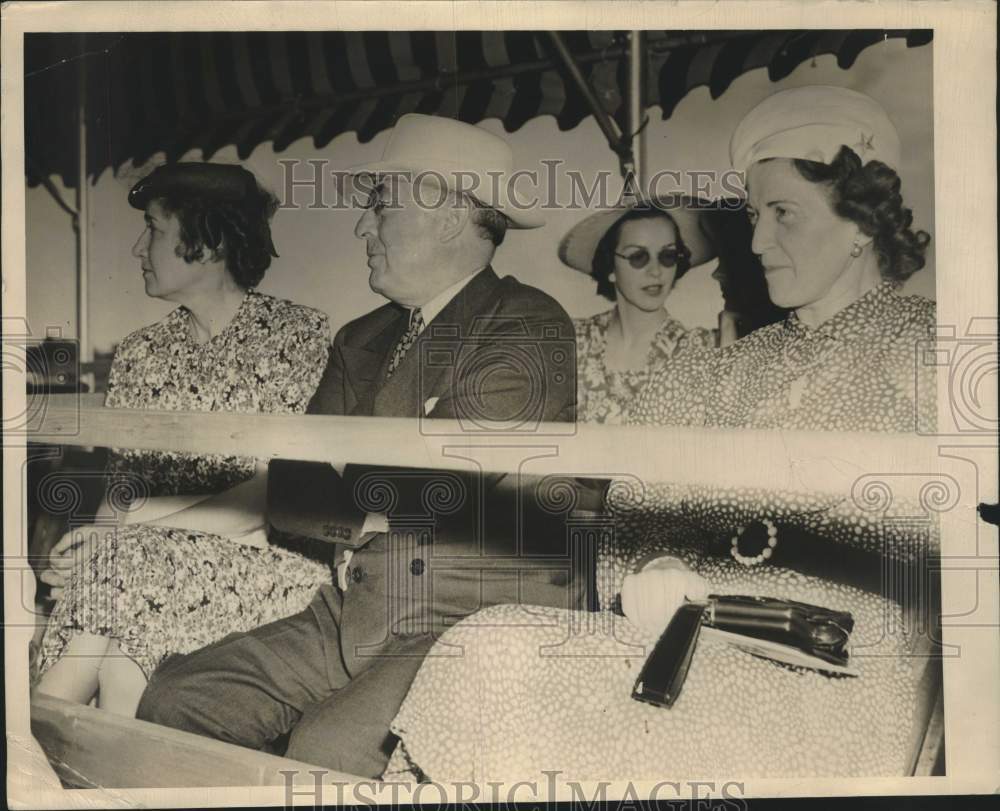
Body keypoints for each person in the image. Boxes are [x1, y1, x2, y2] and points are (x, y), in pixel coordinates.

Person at [385, 86, 938, 781]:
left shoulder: (935, 351)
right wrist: (648, 572)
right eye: (753, 215)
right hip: (689, 653)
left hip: (840, 688)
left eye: (783, 214)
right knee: (491, 644)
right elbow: (626, 525)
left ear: (861, 220)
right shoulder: (710, 376)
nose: (759, 239)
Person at [134, 114, 587, 778]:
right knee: (176, 700)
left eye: (381, 204)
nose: (361, 226)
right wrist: (372, 504)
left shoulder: (528, 322)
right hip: (358, 611)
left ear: (448, 216)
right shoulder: (361, 338)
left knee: (327, 750)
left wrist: (357, 498)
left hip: (474, 623)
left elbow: (443, 489)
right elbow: (291, 490)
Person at [33, 163, 333, 717]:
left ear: (210, 241)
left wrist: (119, 541)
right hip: (148, 563)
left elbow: (273, 498)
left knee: (117, 616)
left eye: (153, 228)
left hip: (267, 563)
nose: (137, 248)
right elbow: (123, 492)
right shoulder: (141, 351)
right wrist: (87, 549)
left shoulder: (298, 337)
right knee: (121, 658)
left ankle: (37, 736)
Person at [560, 197, 717, 424]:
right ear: (610, 267)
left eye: (667, 256)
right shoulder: (574, 341)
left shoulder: (700, 351)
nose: (655, 271)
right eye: (638, 257)